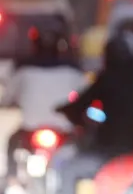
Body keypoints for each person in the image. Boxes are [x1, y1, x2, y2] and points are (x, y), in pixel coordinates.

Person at [53, 31, 133, 194]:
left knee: (68, 169)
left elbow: (79, 106)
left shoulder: (106, 79)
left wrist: (66, 111)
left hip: (111, 148)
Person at [1, 27, 86, 181]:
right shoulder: (73, 72)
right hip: (64, 130)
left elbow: (8, 97)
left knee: (12, 143)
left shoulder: (24, 71)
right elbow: (86, 97)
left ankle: (11, 179)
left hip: (31, 129)